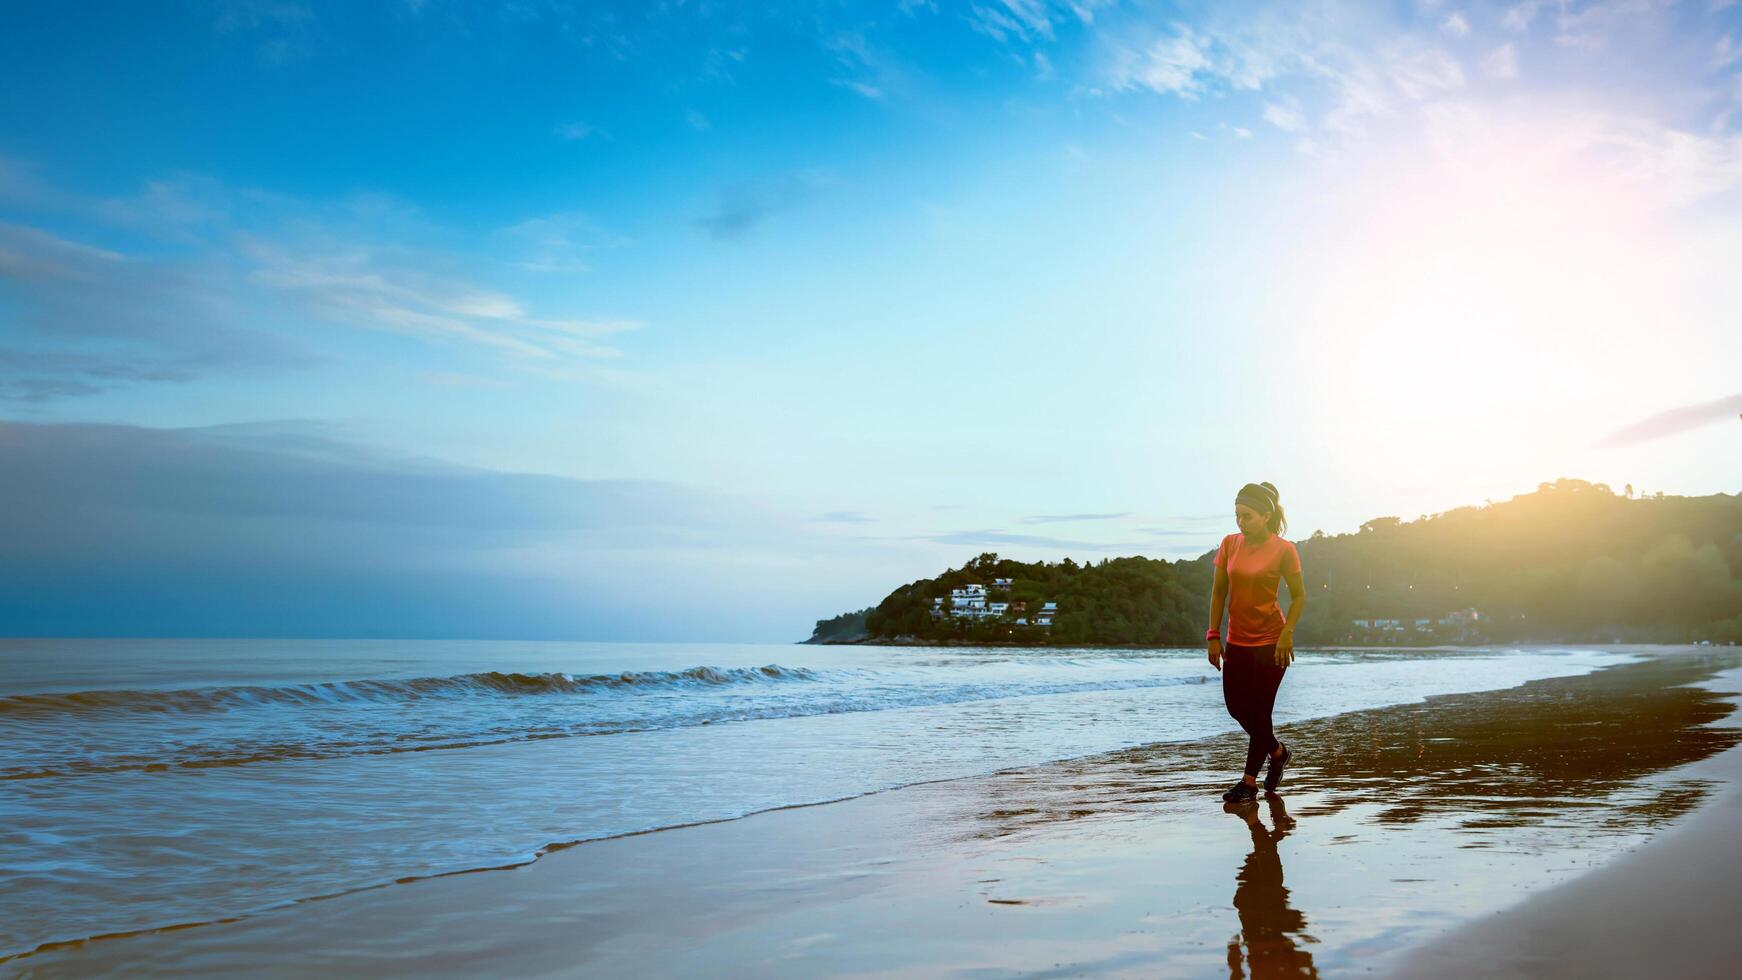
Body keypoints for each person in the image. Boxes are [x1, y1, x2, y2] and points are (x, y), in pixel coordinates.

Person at [1206, 481, 1305, 804]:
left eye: (1247, 515)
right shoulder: (1230, 544)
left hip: (1271, 643)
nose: (1240, 522)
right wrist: (1213, 635)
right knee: (1237, 708)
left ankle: (1248, 783)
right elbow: (1219, 592)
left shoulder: (1284, 550)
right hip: (1237, 641)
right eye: (1237, 515)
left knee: (1260, 713)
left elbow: (1300, 596)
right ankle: (1278, 753)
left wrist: (1287, 633)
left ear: (1265, 515)